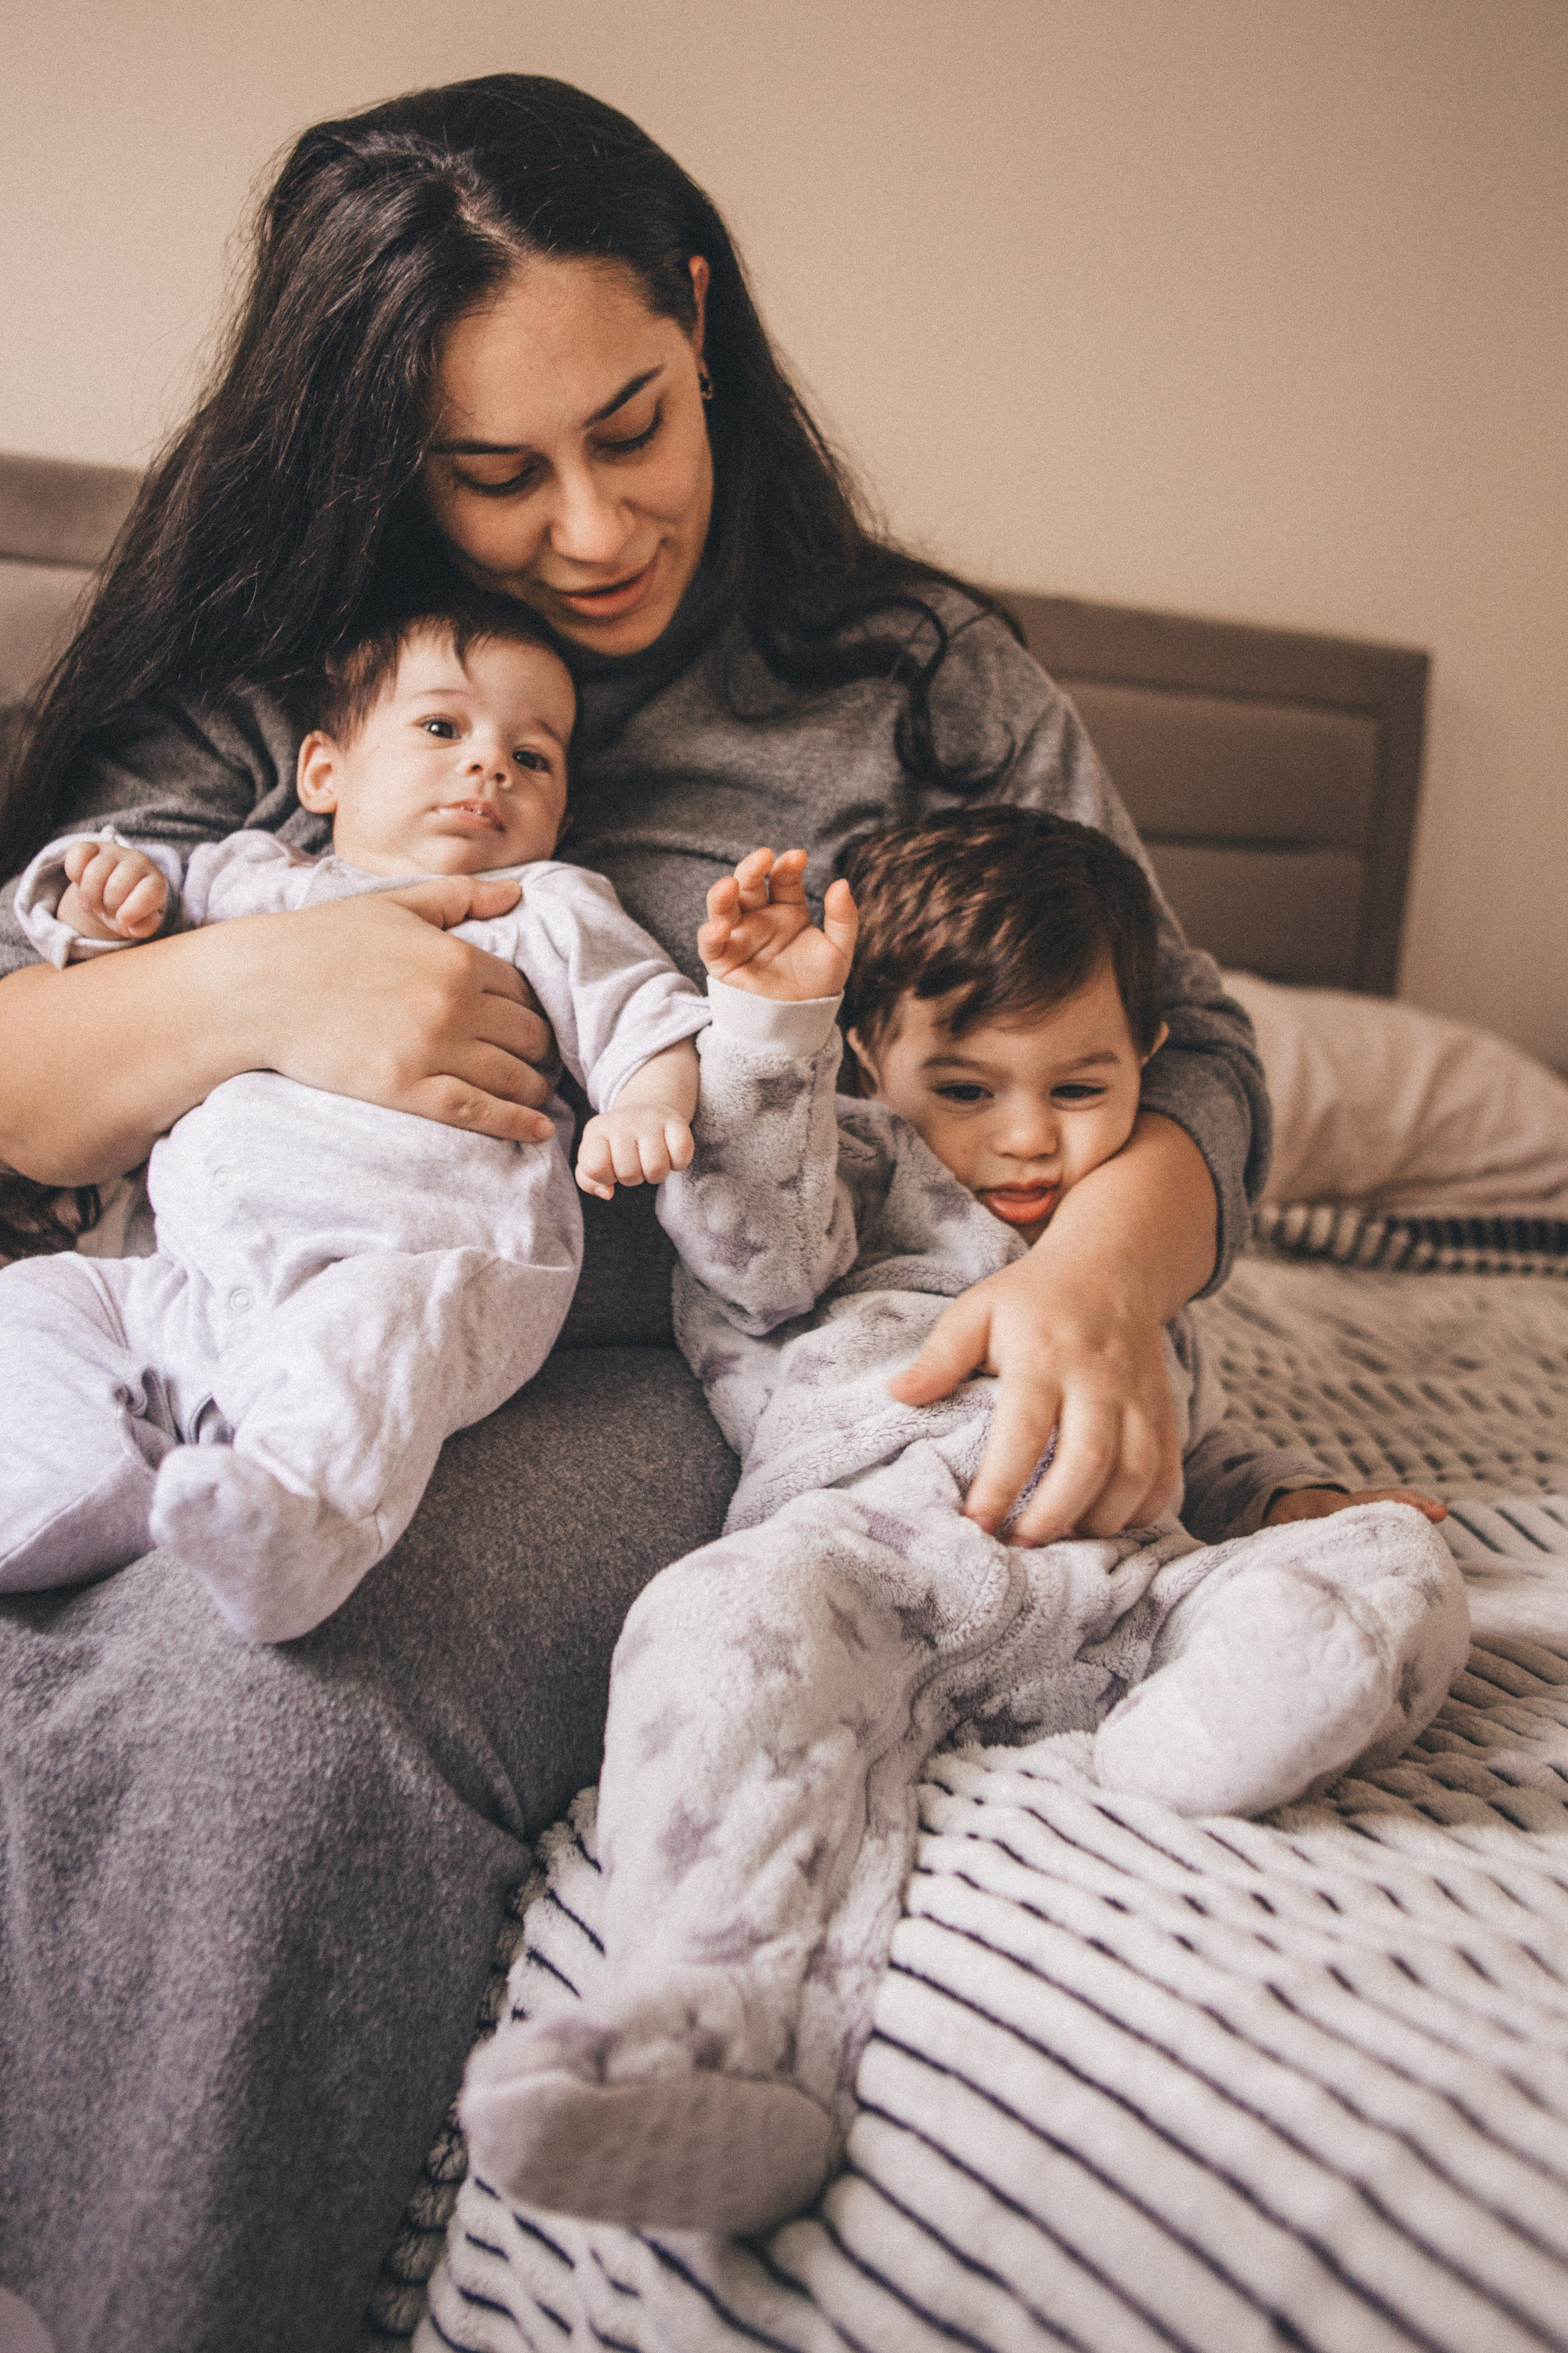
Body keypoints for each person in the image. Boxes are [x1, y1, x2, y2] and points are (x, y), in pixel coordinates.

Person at [0, 73, 1273, 2353]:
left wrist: (1104, 1262)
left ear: (702, 324)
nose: (592, 527)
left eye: (634, 424)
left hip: (665, 1366)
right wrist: (266, 974)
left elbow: (1190, 1051)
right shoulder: (295, 684)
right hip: (209, 1286)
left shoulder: (912, 683)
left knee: (277, 1686)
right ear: (377, 450)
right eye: (493, 474)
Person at [459, 814, 1468, 2234]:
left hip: (1125, 1586)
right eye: (963, 1082)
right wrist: (772, 1021)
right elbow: (750, 1253)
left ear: (1149, 1054)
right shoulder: (846, 1167)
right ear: (875, 1060)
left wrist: (1284, 1497)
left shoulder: (1126, 1240)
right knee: (710, 1619)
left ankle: (1217, 1729)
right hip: (877, 1583)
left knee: (1394, 1549)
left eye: (1079, 1084)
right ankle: (722, 2018)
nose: (1022, 1135)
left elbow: (1190, 1416)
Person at [2, 597, 706, 1640]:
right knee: (44, 1305)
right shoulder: (247, 877)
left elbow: (644, 1009)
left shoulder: (545, 905)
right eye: (441, 728)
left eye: (534, 756)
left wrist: (647, 1102)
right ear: (324, 772)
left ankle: (299, 1525)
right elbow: (116, 959)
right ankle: (62, 1492)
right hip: (201, 1276)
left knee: (372, 1345)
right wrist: (95, 904)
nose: (490, 766)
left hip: (426, 1259)